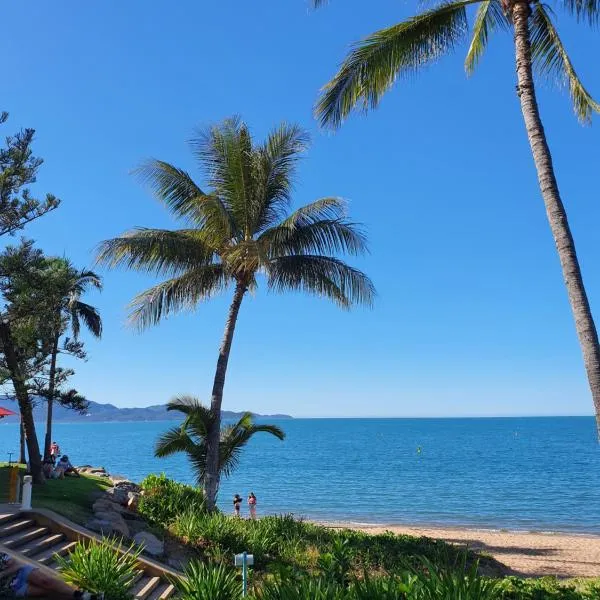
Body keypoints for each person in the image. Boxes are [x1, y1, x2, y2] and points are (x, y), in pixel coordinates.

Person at [0, 550, 103, 599]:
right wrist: (7, 571)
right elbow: (13, 566)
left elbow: (15, 563)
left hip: (21, 572)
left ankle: (83, 595)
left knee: (46, 581)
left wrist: (4, 573)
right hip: (11, 587)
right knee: (47, 591)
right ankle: (87, 598)